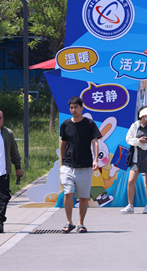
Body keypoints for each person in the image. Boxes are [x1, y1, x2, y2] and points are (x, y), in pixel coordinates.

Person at [58, 97, 101, 233]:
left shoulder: (89, 124)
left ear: (82, 107)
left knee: (83, 197)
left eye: (76, 107)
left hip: (85, 166)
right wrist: (62, 162)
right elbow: (63, 143)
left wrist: (95, 160)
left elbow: (95, 142)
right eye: (71, 107)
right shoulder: (65, 124)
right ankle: (69, 222)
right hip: (68, 165)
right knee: (68, 193)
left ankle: (81, 223)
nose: (73, 110)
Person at [121, 106, 147, 214]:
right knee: (131, 181)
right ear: (143, 115)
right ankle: (130, 205)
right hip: (136, 157)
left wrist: (141, 144)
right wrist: (139, 141)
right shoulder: (134, 125)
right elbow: (128, 139)